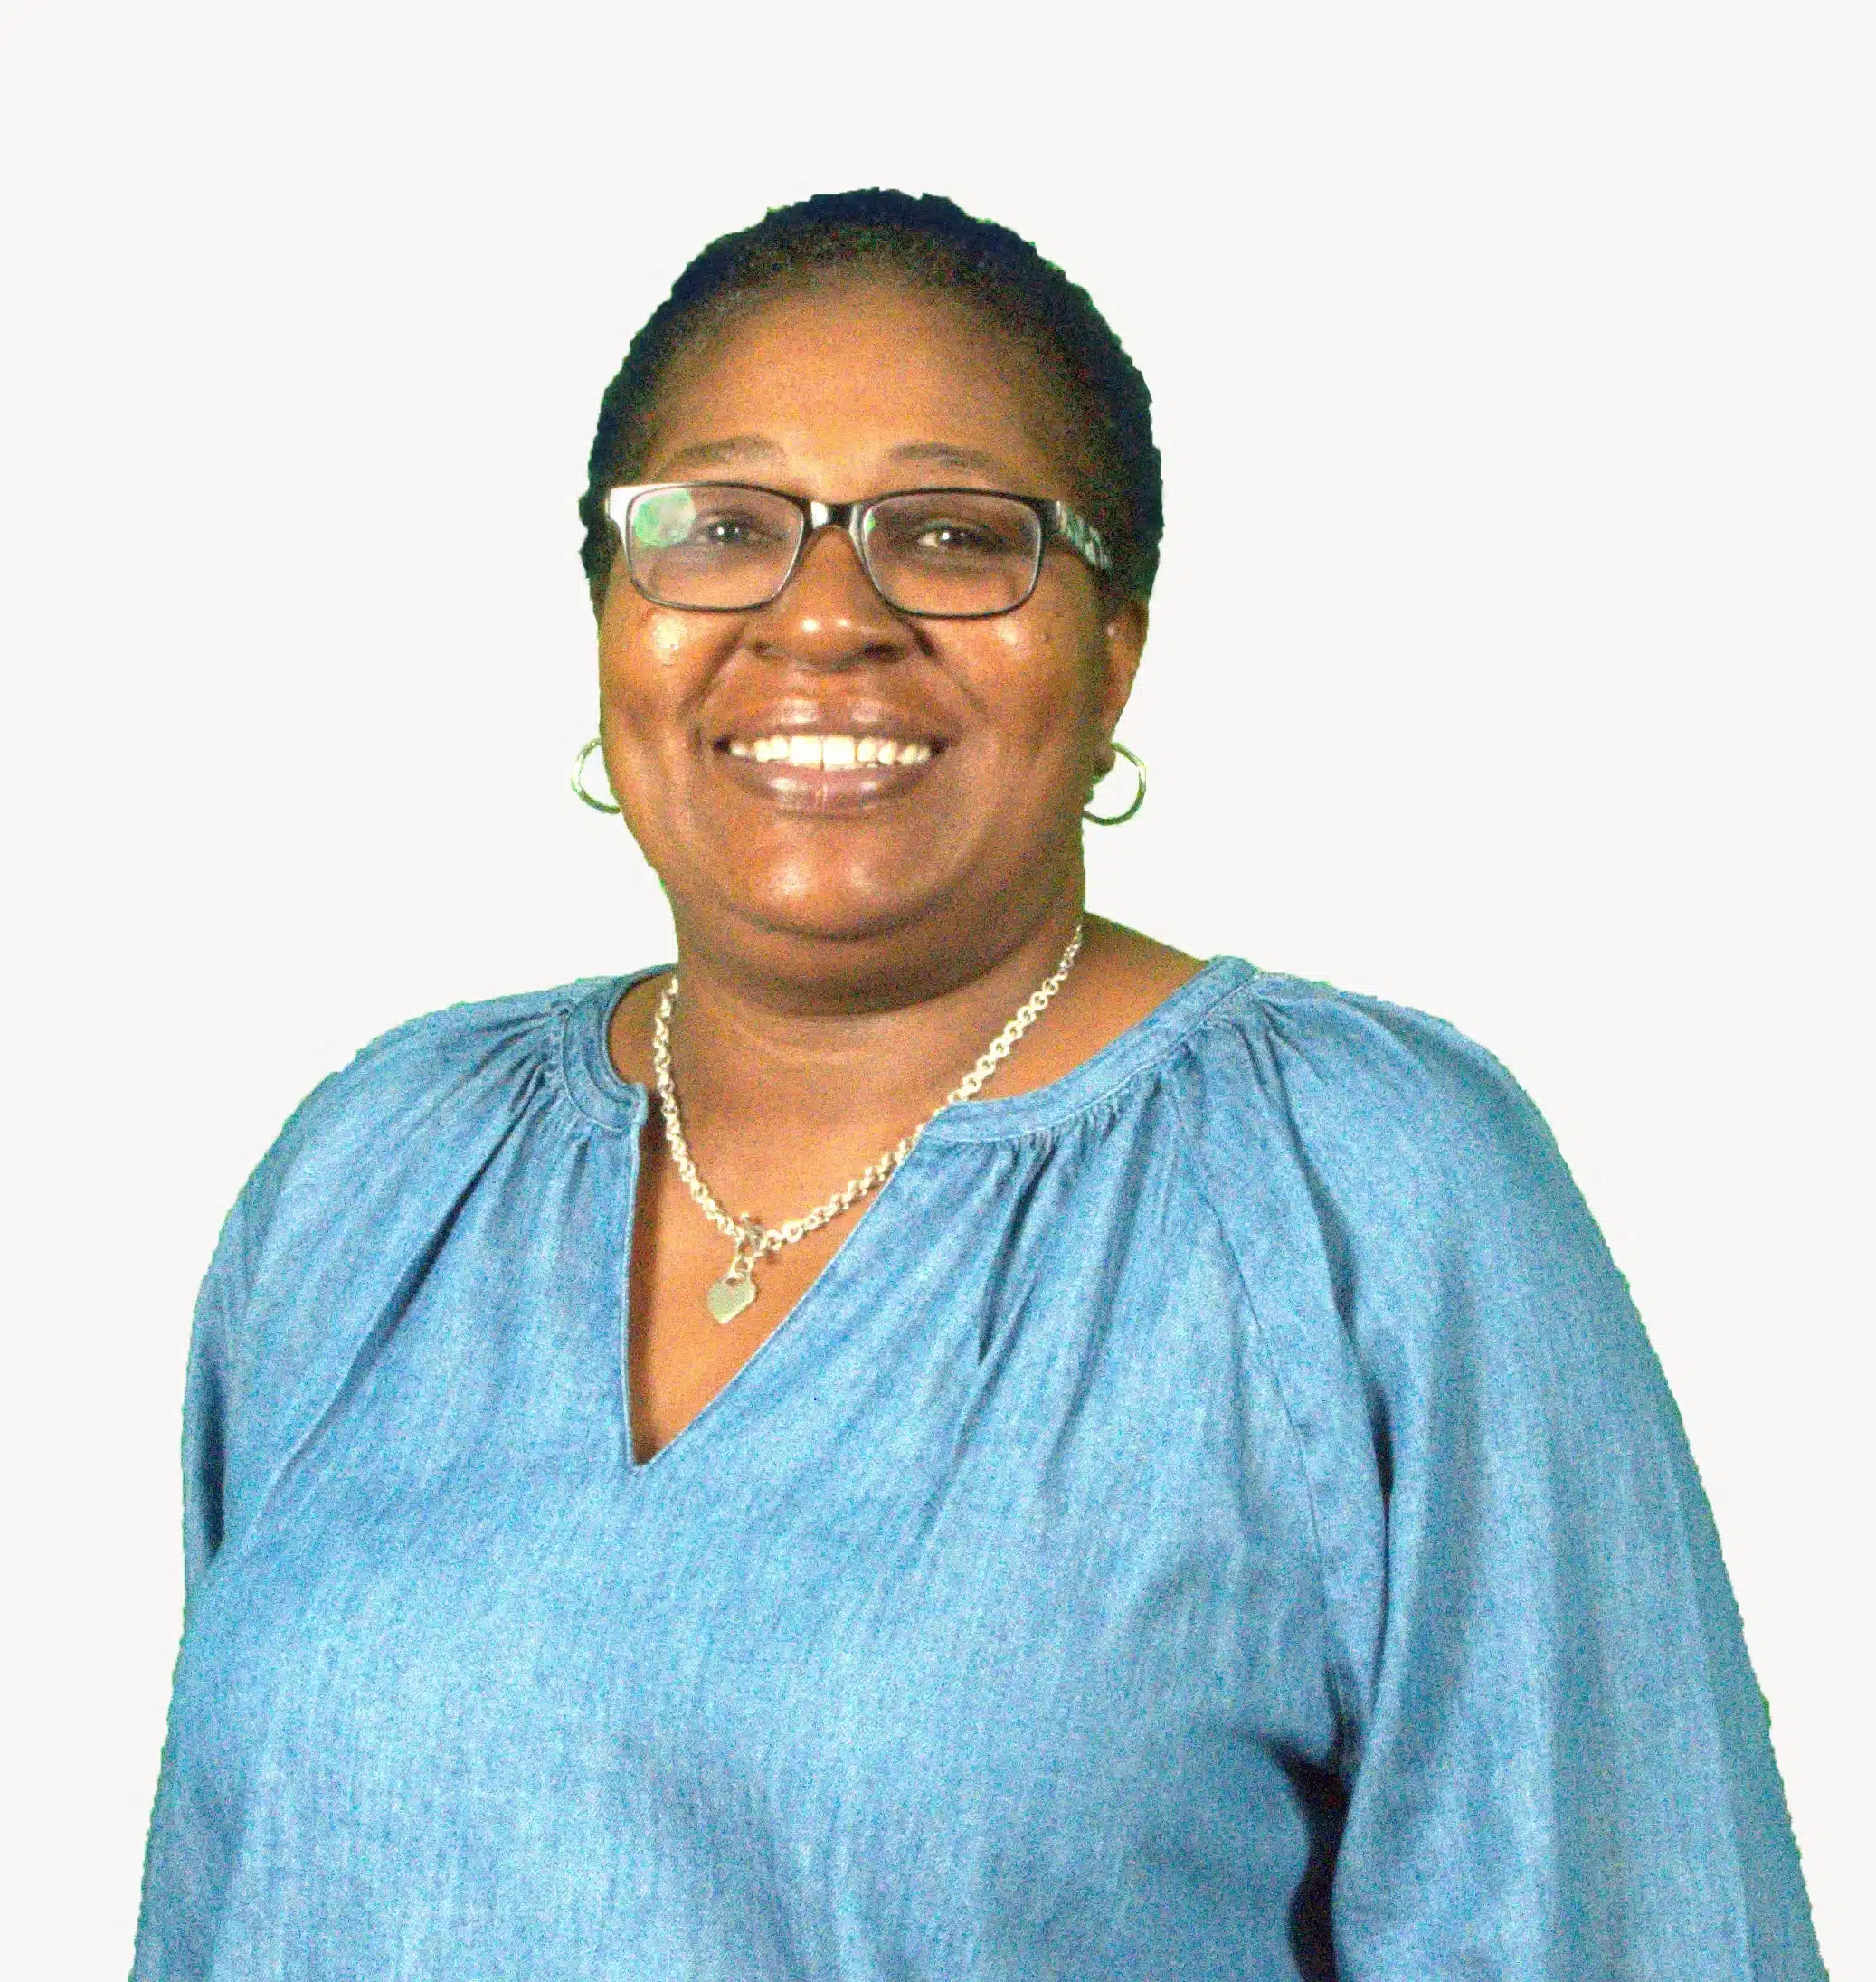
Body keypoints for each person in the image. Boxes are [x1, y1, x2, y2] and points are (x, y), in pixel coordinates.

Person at [133, 190, 1824, 1981]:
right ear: (610, 615)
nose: (823, 619)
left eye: (951, 536)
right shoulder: (376, 1177)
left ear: (1115, 648)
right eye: (720, 528)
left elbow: (1621, 1929)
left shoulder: (1361, 1194)